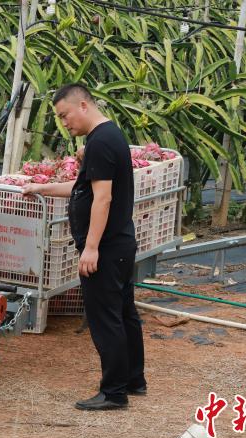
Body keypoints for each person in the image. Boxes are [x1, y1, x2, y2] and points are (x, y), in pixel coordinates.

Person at [22, 84, 145, 411]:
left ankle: (114, 392)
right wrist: (42, 187)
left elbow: (102, 199)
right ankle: (134, 379)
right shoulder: (106, 137)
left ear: (83, 105)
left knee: (107, 318)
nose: (64, 122)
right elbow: (84, 189)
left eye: (65, 115)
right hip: (119, 242)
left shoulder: (101, 142)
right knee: (123, 312)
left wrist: (91, 248)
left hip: (106, 246)